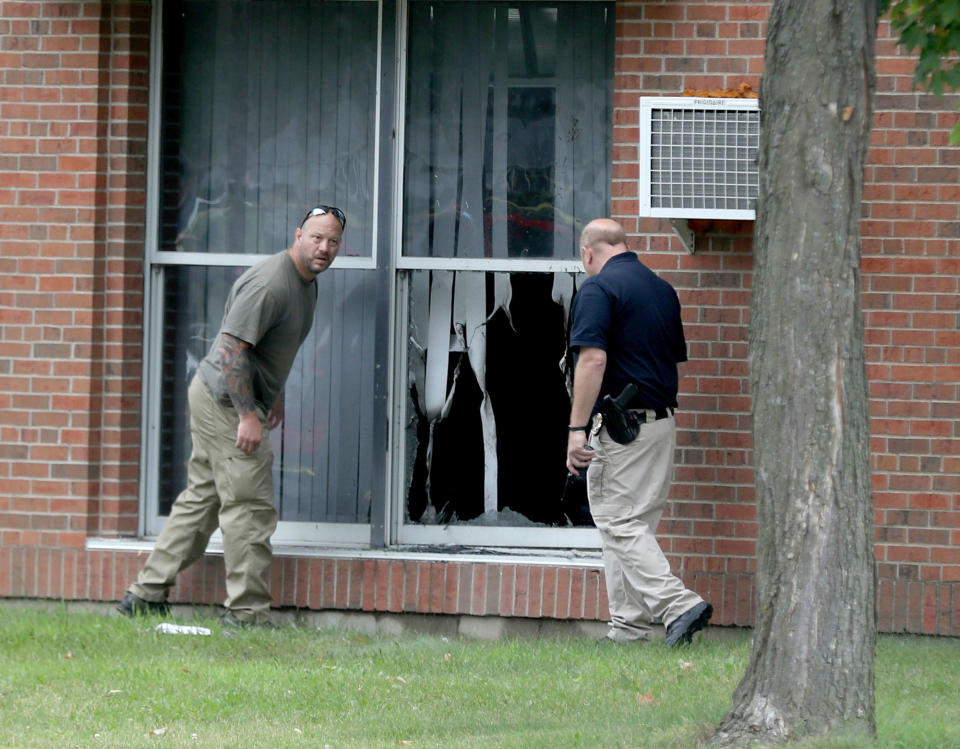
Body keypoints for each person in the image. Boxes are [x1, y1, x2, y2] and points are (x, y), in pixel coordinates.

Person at [118, 205, 345, 627]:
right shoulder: (271, 283)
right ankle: (246, 614)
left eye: (333, 241)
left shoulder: (306, 282)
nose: (324, 248)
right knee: (249, 507)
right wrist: (247, 415)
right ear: (298, 234)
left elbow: (266, 347)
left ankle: (145, 595)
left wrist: (271, 396)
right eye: (316, 237)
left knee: (203, 500)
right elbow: (231, 349)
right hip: (225, 402)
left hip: (225, 395)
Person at [566, 218, 712, 646]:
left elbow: (592, 360)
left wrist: (577, 429)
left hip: (622, 429)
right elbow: (670, 359)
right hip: (660, 423)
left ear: (588, 253)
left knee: (616, 520)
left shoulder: (598, 288)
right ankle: (627, 630)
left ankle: (676, 605)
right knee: (632, 527)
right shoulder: (661, 290)